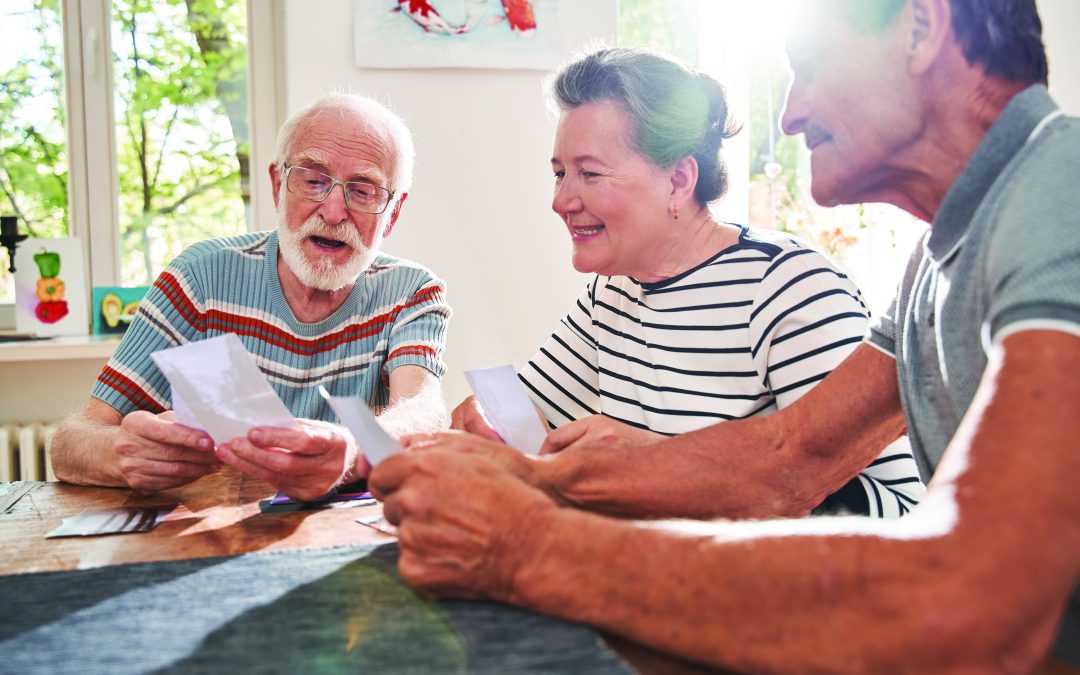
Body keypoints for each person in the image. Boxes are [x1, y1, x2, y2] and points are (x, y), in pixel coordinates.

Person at [370, 0, 1080, 670]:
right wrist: (531, 475)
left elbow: (982, 601)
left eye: (810, 62)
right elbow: (788, 456)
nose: (792, 114)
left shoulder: (1061, 190)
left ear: (924, 26)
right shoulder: (939, 256)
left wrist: (527, 544)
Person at [452, 48, 924, 518]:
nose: (561, 201)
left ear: (678, 180)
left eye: (589, 173)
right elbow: (533, 413)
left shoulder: (787, 286)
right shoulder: (615, 291)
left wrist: (658, 467)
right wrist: (489, 415)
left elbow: (902, 510)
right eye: (559, 174)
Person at [51, 93, 451, 502]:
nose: (333, 212)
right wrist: (122, 455)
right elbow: (72, 442)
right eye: (313, 181)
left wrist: (351, 450)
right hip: (207, 537)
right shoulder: (200, 277)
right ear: (278, 185)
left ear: (393, 213)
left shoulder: (412, 292)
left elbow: (423, 412)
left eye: (363, 191)